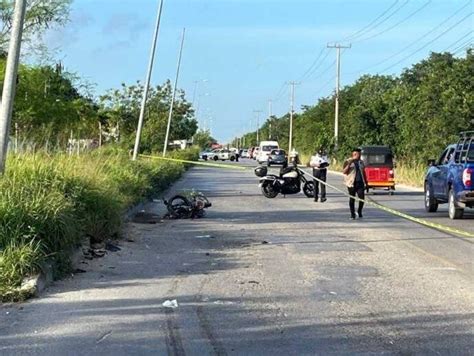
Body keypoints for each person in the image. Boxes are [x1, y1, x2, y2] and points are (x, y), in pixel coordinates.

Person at [343, 148, 368, 219]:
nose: (359, 156)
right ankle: (352, 214)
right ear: (354, 154)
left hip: (360, 183)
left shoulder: (361, 162)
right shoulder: (347, 161)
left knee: (362, 199)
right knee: (352, 199)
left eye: (360, 154)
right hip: (351, 183)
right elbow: (344, 172)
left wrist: (366, 183)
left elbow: (363, 172)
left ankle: (359, 211)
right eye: (358, 154)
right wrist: (349, 164)